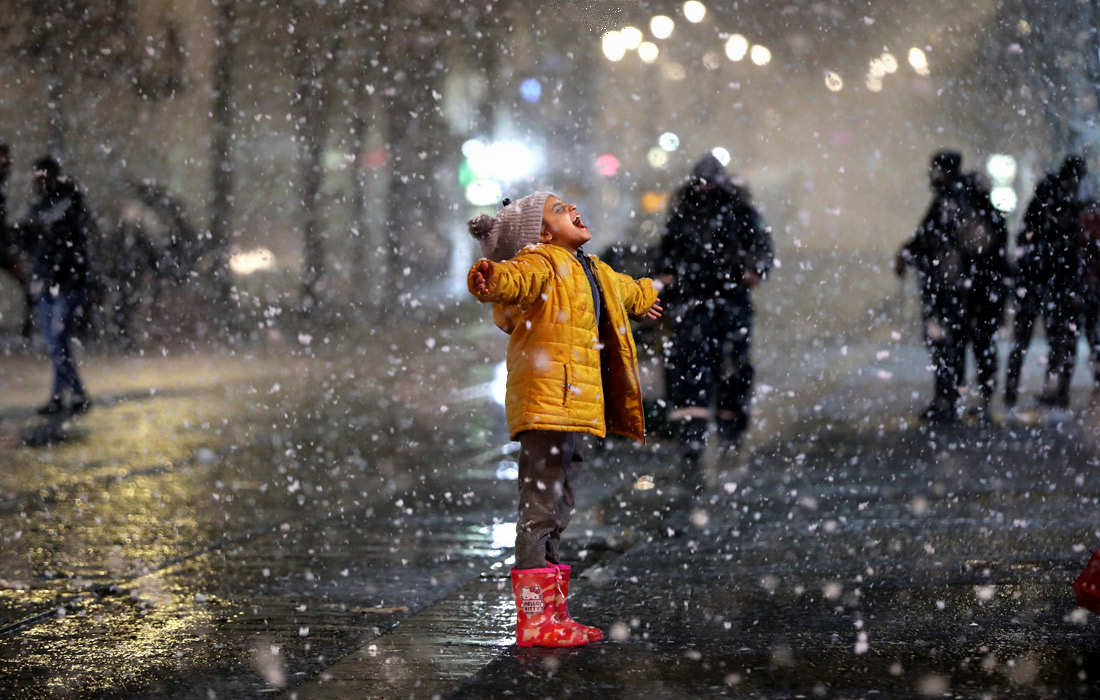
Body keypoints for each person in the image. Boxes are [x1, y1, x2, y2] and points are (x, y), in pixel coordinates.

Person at [467, 192, 661, 648]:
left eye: (570, 204)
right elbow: (512, 279)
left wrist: (646, 293)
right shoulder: (541, 262)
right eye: (559, 209)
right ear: (542, 233)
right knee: (539, 508)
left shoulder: (592, 268)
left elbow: (624, 289)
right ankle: (534, 619)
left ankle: (553, 613)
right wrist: (490, 277)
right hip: (546, 405)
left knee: (559, 506)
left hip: (573, 409)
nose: (573, 209)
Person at [656, 154, 773, 484]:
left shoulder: (715, 211)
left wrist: (754, 270)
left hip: (716, 301)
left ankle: (719, 435)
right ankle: (701, 438)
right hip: (703, 302)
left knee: (718, 368)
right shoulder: (702, 212)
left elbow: (762, 247)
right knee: (702, 369)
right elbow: (667, 254)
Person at [1004, 155, 1087, 410]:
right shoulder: (1062, 201)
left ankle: (1021, 392)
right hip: (1049, 280)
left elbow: (1026, 235)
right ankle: (1048, 392)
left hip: (1044, 280)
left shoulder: (1053, 199)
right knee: (1052, 341)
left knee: (1035, 340)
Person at [895, 150, 967, 424]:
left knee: (943, 344)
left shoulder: (951, 201)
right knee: (949, 344)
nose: (932, 175)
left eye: (935, 169)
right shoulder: (952, 199)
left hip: (946, 287)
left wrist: (909, 254)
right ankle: (949, 398)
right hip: (951, 285)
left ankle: (947, 400)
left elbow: (931, 239)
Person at [19, 156, 94, 415]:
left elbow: (62, 243)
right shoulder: (42, 207)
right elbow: (31, 242)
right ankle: (70, 394)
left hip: (66, 282)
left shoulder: (68, 205)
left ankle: (67, 395)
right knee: (55, 342)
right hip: (51, 282)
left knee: (58, 340)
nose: (37, 181)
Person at [953, 172, 1009, 422]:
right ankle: (984, 399)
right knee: (984, 348)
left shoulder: (969, 218)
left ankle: (965, 398)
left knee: (968, 348)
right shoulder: (991, 217)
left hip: (975, 293)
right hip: (987, 293)